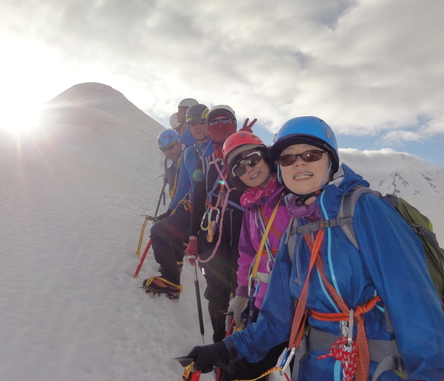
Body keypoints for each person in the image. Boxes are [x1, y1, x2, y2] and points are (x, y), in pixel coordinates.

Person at [186, 116, 444, 380]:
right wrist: (227, 348)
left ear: (331, 160)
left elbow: (417, 312)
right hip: (314, 367)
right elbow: (277, 318)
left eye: (311, 154)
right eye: (287, 158)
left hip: (373, 366)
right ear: (280, 168)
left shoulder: (365, 211)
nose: (299, 162)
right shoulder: (296, 229)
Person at [218, 130, 291, 380]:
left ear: (267, 156)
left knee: (246, 368)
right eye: (238, 167)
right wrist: (240, 294)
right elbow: (247, 253)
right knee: (243, 368)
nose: (249, 169)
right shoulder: (251, 207)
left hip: (294, 306)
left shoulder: (292, 196)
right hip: (262, 303)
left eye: (252, 158)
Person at [185, 105, 243, 343]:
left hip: (244, 236)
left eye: (225, 120)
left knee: (243, 292)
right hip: (212, 236)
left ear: (235, 125)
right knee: (217, 292)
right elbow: (198, 201)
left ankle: (242, 347)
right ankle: (220, 343)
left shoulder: (249, 156)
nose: (220, 125)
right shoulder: (206, 163)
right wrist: (192, 238)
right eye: (215, 121)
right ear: (209, 129)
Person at [143, 104, 213, 299]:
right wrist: (171, 211)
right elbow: (182, 187)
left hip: (216, 211)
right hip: (192, 208)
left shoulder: (218, 147)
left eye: (202, 122)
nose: (198, 126)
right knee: (160, 230)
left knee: (214, 262)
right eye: (193, 123)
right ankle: (171, 280)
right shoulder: (189, 155)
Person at [157, 129, 182, 202]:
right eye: (164, 149)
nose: (168, 151)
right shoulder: (167, 162)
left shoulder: (188, 158)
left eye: (171, 147)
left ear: (179, 143)